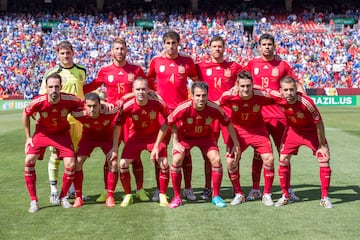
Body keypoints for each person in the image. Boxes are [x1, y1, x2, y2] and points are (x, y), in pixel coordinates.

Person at [152, 81, 240, 209]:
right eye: (198, 95)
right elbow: (167, 124)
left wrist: (236, 143)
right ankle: (177, 197)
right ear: (192, 96)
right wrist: (159, 145)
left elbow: (228, 123)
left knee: (216, 159)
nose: (201, 99)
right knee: (176, 160)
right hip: (185, 137)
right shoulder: (183, 108)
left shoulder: (213, 108)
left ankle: (216, 196)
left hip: (205, 137)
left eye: (204, 95)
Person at [84, 38, 149, 203]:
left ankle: (140, 189)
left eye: (122, 49)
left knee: (134, 156)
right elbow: (90, 87)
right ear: (112, 51)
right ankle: (108, 191)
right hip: (111, 120)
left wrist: (134, 95)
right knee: (110, 156)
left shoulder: (136, 70)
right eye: (117, 49)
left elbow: (148, 88)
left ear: (126, 51)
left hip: (130, 119)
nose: (120, 51)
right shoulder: (105, 70)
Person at [244, 33, 303, 202]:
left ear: (274, 46)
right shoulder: (251, 64)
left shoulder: (283, 65)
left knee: (284, 154)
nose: (267, 47)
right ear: (259, 46)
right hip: (258, 117)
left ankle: (288, 190)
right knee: (258, 154)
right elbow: (241, 83)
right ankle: (256, 189)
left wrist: (303, 97)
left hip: (279, 117)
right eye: (264, 44)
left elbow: (295, 84)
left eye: (270, 44)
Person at [147, 30, 198, 202]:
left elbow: (196, 81)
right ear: (163, 44)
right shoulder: (156, 61)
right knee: (161, 150)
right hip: (162, 113)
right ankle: (159, 189)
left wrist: (191, 98)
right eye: (168, 43)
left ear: (178, 43)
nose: (171, 46)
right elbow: (148, 81)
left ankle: (188, 188)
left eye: (174, 43)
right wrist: (154, 95)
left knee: (185, 150)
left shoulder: (187, 61)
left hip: (182, 113)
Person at [23, 73, 84, 213]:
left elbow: (85, 104)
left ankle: (63, 197)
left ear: (61, 87)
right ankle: (34, 200)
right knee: (29, 160)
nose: (54, 90)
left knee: (71, 164)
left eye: (57, 86)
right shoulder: (38, 101)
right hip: (43, 133)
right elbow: (25, 113)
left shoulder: (70, 99)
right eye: (51, 87)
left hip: (62, 134)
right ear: (46, 88)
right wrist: (28, 137)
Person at [269, 76, 332, 208]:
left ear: (296, 89)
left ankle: (325, 197)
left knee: (323, 158)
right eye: (285, 90)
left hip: (311, 132)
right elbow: (262, 89)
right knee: (283, 158)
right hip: (293, 131)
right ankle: (285, 195)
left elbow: (319, 123)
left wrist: (321, 145)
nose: (289, 93)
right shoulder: (277, 97)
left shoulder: (306, 102)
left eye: (292, 89)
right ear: (280, 90)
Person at [109, 78, 170, 207]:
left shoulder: (158, 103)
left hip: (154, 138)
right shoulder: (128, 106)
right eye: (138, 89)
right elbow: (118, 125)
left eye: (143, 89)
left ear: (148, 90)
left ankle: (163, 194)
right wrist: (115, 147)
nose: (141, 92)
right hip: (135, 137)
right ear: (133, 91)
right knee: (123, 163)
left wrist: (157, 146)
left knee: (163, 163)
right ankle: (128, 194)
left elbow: (167, 122)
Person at [196, 36, 243, 200]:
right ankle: (208, 187)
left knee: (232, 150)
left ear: (224, 48)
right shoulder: (200, 66)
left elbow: (247, 77)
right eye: (214, 46)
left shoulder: (234, 66)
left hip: (228, 115)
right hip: (209, 116)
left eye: (220, 46)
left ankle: (235, 187)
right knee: (209, 154)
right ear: (209, 48)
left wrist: (236, 87)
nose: (217, 49)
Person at [39, 40, 87, 203]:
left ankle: (72, 190)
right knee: (55, 155)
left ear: (73, 53)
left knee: (74, 156)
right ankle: (53, 190)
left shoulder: (82, 70)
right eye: (62, 53)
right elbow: (43, 95)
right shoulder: (51, 73)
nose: (65, 56)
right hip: (58, 121)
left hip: (78, 121)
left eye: (68, 53)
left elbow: (83, 91)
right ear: (58, 54)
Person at [219, 71, 275, 206]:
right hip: (238, 131)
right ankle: (239, 193)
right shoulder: (229, 96)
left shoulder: (260, 96)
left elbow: (279, 97)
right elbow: (215, 106)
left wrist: (262, 88)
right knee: (230, 161)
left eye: (248, 86)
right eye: (242, 86)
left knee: (269, 158)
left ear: (252, 85)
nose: (245, 89)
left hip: (258, 131)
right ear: (237, 85)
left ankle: (266, 194)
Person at [71, 92, 121, 208]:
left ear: (100, 105)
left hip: (106, 136)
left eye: (95, 106)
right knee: (77, 162)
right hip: (88, 137)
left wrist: (115, 147)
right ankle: (78, 197)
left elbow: (122, 101)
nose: (92, 109)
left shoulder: (111, 109)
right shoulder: (78, 113)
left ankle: (110, 196)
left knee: (113, 163)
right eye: (89, 106)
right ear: (85, 105)